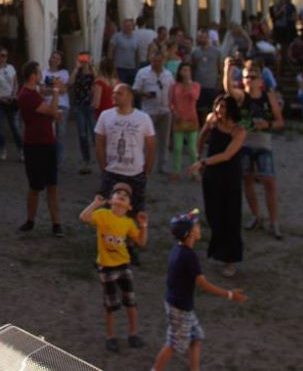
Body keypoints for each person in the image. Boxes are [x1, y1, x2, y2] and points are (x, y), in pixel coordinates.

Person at [152, 211, 246, 371]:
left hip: (178, 304)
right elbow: (203, 284)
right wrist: (230, 295)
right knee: (173, 344)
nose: (199, 227)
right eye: (196, 225)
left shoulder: (177, 250)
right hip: (180, 308)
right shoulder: (188, 256)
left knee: (196, 338)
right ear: (188, 233)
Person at [80, 183, 149, 354]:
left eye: (125, 195)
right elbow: (83, 217)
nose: (121, 195)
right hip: (107, 268)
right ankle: (111, 337)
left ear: (129, 206)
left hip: (124, 266)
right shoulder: (102, 215)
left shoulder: (128, 223)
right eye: (117, 193)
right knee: (111, 306)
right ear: (111, 200)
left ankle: (133, 334)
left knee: (131, 303)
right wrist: (95, 204)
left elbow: (141, 242)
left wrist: (144, 226)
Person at [189, 96, 246, 275]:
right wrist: (198, 155)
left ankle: (230, 260)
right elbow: (201, 135)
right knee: (214, 214)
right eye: (218, 106)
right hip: (212, 174)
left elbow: (227, 155)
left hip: (230, 176)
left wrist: (204, 162)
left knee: (231, 216)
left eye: (223, 107)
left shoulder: (239, 130)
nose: (220, 110)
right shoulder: (212, 120)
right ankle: (217, 251)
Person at [95, 82, 158, 219]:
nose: (114, 96)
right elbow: (99, 142)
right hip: (111, 171)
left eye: (119, 93)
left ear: (129, 97)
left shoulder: (143, 118)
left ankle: (132, 238)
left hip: (135, 173)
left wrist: (147, 170)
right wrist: (103, 167)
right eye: (113, 93)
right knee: (107, 211)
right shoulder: (105, 116)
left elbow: (151, 146)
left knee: (135, 212)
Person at [16, 60, 62, 235]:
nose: (42, 75)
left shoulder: (31, 93)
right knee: (37, 186)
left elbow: (45, 114)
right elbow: (51, 110)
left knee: (51, 184)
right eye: (38, 72)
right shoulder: (28, 96)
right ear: (33, 76)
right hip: (37, 145)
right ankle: (33, 220)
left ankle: (53, 222)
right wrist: (56, 91)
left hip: (45, 142)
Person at [237, 71, 285, 237]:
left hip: (264, 144)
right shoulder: (240, 97)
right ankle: (256, 216)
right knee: (247, 181)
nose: (249, 80)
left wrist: (267, 124)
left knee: (269, 183)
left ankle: (274, 222)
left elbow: (280, 121)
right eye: (246, 77)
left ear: (260, 81)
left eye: (253, 77)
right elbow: (234, 119)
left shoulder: (268, 97)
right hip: (244, 143)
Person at [133, 45, 175, 176]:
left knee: (164, 139)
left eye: (159, 61)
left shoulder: (168, 74)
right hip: (148, 111)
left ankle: (162, 165)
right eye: (154, 61)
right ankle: (143, 164)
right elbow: (134, 90)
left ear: (163, 60)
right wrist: (145, 95)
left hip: (165, 110)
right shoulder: (142, 73)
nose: (156, 63)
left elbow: (173, 90)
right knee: (146, 140)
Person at [0, 46, 21, 159]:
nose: (3, 58)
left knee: (15, 127)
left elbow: (16, 82)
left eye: (5, 55)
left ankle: (21, 150)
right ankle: (3, 149)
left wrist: (14, 95)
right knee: (0, 127)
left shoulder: (11, 67)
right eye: (1, 55)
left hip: (11, 100)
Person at [170, 63, 201, 180]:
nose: (186, 72)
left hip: (192, 119)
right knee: (177, 147)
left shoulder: (196, 85)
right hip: (179, 120)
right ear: (179, 72)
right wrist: (174, 112)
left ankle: (195, 172)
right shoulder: (174, 86)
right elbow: (171, 102)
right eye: (183, 70)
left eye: (188, 70)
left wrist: (188, 85)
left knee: (192, 149)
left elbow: (195, 97)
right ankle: (176, 171)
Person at [69, 54, 98, 175]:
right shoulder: (77, 72)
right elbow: (70, 83)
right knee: (82, 134)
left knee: (94, 134)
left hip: (90, 106)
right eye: (82, 59)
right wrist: (76, 68)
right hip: (79, 105)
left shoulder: (93, 72)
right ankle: (86, 160)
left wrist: (92, 66)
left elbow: (98, 82)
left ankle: (100, 157)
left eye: (86, 59)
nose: (84, 61)